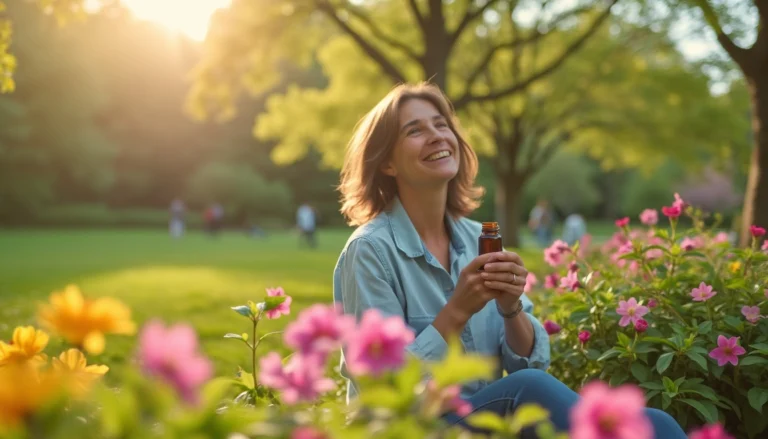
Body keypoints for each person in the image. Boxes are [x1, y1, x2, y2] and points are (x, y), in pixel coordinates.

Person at [332, 83, 686, 438]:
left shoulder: (478, 239)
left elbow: (531, 361)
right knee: (528, 389)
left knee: (660, 424)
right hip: (409, 429)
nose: (437, 136)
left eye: (441, 125)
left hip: (480, 421)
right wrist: (457, 310)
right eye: (414, 130)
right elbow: (385, 389)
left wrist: (511, 306)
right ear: (388, 163)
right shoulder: (370, 251)